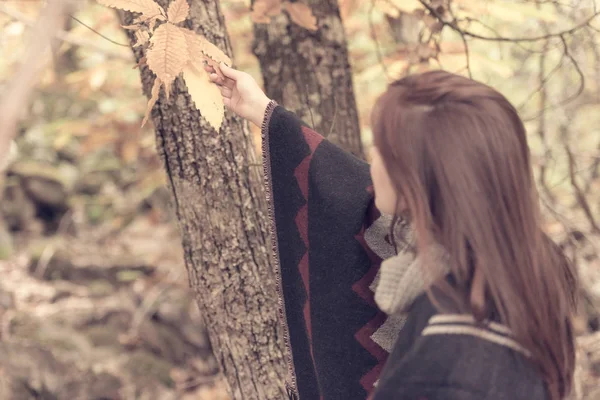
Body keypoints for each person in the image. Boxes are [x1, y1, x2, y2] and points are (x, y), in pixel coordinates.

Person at [206, 63, 577, 400]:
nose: (371, 162)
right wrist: (265, 113)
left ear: (415, 176)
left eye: (381, 148)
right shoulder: (525, 264)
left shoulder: (452, 344)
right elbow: (350, 190)